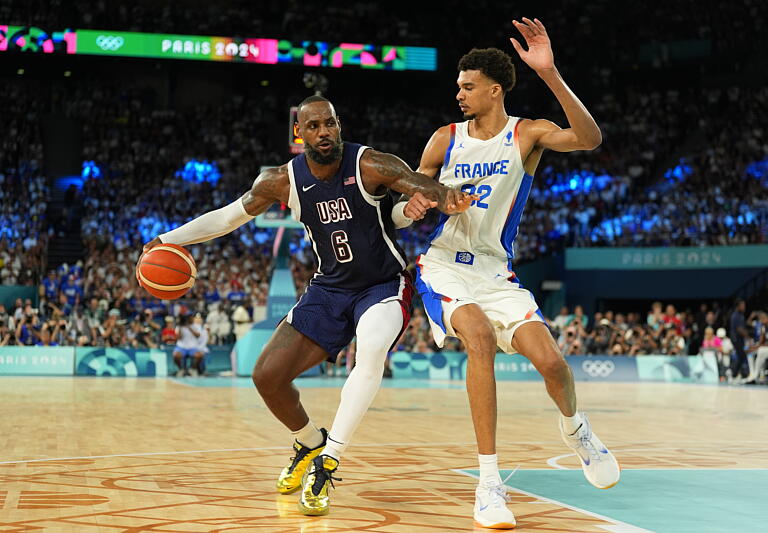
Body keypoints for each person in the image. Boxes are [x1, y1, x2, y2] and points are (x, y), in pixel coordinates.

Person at [141, 95, 473, 516]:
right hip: (329, 289)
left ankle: (328, 461)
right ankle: (310, 442)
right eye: (313, 126)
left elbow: (419, 186)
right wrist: (168, 240)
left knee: (369, 353)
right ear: (300, 133)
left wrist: (444, 198)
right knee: (267, 376)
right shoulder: (282, 181)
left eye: (329, 124)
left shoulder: (369, 164)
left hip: (382, 285)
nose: (323, 133)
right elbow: (227, 218)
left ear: (339, 125)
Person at [394, 18, 618, 528]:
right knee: (477, 337)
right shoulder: (443, 139)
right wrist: (424, 205)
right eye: (457, 86)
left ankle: (575, 427)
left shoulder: (527, 134)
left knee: (554, 365)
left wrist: (552, 73)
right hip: (445, 267)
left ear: (494, 90)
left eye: (467, 86)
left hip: (497, 274)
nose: (459, 93)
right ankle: (489, 484)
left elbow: (589, 138)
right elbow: (411, 195)